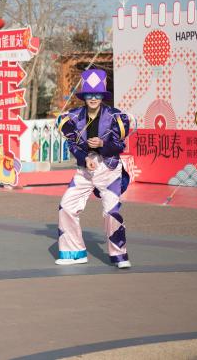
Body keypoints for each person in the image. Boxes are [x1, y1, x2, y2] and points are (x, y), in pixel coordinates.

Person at [55, 68, 132, 269]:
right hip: (85, 170)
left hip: (109, 169)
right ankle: (74, 252)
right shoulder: (74, 117)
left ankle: (119, 255)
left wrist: (102, 145)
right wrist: (84, 158)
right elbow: (72, 144)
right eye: (89, 94)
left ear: (102, 96)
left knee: (111, 212)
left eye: (97, 94)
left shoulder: (115, 117)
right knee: (67, 206)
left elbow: (120, 146)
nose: (93, 98)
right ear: (84, 96)